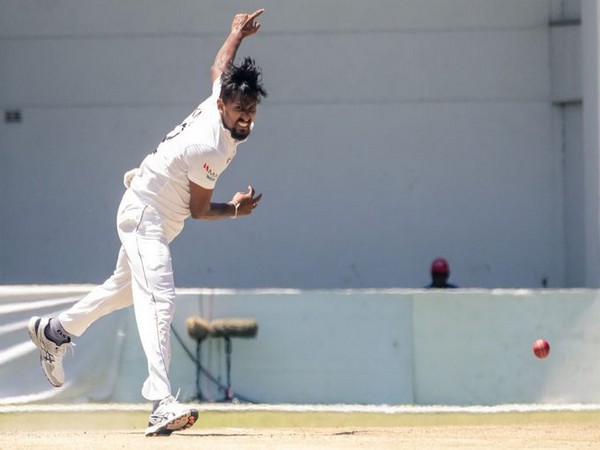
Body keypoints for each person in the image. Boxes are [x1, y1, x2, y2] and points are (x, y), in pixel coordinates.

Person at [27, 9, 267, 437]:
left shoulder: (220, 100)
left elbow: (219, 67)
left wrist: (235, 34)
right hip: (145, 216)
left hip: (152, 211)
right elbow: (198, 211)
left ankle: (55, 331)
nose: (245, 117)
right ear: (221, 106)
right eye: (238, 110)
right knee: (160, 298)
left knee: (121, 293)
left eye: (250, 109)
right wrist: (234, 209)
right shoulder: (212, 146)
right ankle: (160, 402)